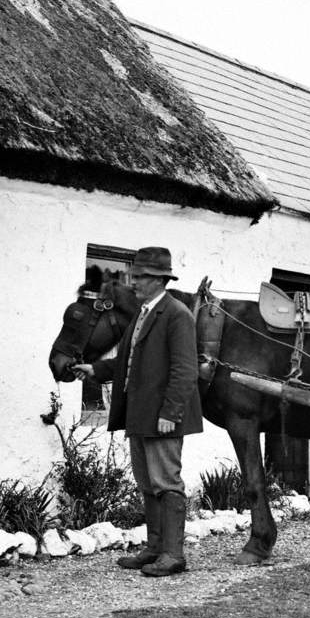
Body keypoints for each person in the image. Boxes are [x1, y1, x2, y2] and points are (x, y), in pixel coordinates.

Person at [73, 247, 202, 577]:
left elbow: (185, 370)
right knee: (147, 482)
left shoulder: (177, 315)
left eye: (140, 277)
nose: (133, 283)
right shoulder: (144, 314)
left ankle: (174, 555)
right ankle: (155, 548)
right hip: (140, 413)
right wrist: (97, 370)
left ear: (159, 280)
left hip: (163, 417)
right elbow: (128, 361)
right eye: (133, 276)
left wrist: (170, 413)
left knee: (166, 482)